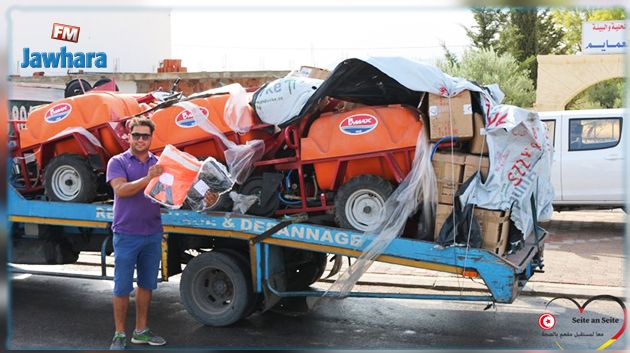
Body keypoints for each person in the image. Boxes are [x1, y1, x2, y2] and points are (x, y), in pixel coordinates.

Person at [106, 117, 217, 349]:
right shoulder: (117, 162)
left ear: (151, 138)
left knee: (147, 285)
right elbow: (121, 190)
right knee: (122, 287)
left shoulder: (162, 163)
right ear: (129, 136)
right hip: (126, 234)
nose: (140, 140)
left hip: (153, 233)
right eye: (136, 135)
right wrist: (148, 177)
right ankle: (119, 334)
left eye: (145, 136)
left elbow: (182, 192)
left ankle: (141, 331)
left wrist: (208, 196)